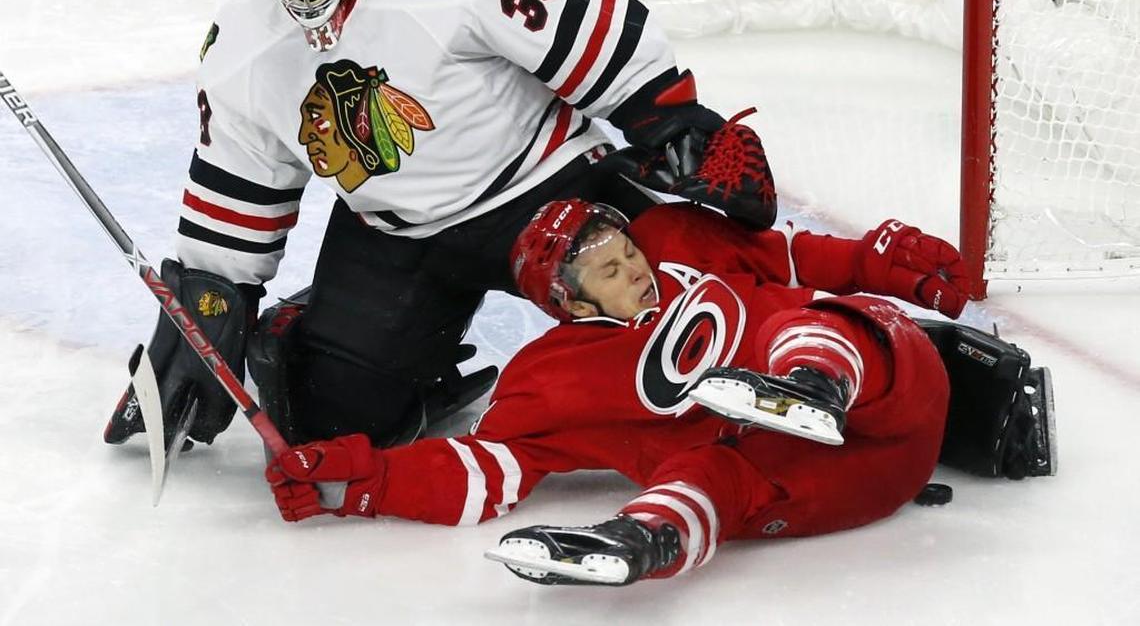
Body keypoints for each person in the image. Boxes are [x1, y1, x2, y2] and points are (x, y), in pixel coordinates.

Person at [101, 0, 777, 455]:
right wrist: (214, 301)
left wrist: (667, 115)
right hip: (399, 233)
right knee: (334, 419)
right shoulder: (242, 48)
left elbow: (585, 27)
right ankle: (315, 330)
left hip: (545, 186)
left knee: (670, 309)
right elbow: (240, 186)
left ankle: (804, 340)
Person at [263, 199, 1056, 587]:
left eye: (626, 250)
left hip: (891, 397)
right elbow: (480, 471)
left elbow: (794, 254)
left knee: (832, 323)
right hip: (835, 481)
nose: (635, 268)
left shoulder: (678, 238)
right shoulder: (549, 377)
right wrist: (360, 481)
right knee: (710, 473)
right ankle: (642, 541)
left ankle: (806, 383)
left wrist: (885, 259)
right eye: (609, 271)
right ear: (571, 303)